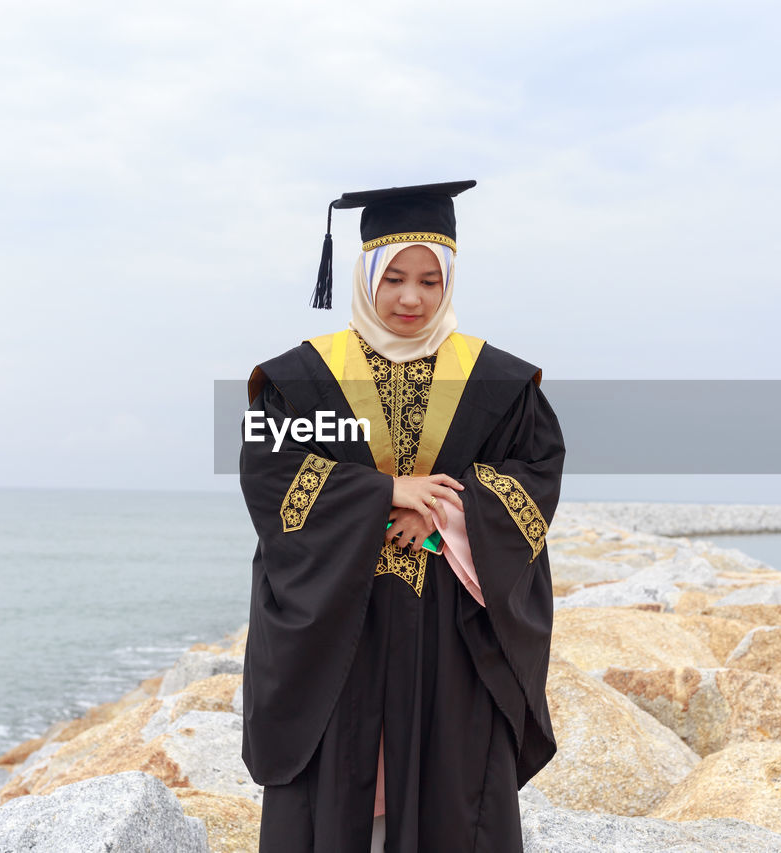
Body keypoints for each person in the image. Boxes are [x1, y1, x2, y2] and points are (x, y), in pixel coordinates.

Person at [238, 180, 565, 852]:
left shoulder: (494, 381)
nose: (411, 298)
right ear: (364, 277)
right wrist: (382, 494)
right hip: (340, 629)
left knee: (454, 789)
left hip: (449, 631)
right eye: (393, 278)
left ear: (449, 282)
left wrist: (446, 512)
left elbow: (535, 475)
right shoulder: (303, 380)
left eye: (429, 280)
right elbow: (271, 473)